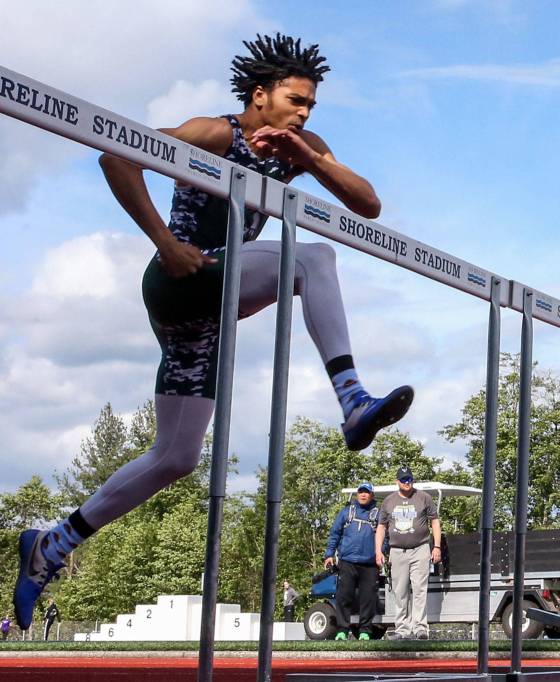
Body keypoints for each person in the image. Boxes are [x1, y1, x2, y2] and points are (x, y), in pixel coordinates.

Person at [12, 33, 415, 631]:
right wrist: (164, 242)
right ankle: (352, 397)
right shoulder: (214, 132)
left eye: (311, 107)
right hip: (184, 273)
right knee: (314, 261)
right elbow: (114, 156)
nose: (304, 114)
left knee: (175, 456)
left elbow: (369, 205)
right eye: (296, 101)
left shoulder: (302, 148)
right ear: (259, 96)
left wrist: (311, 159)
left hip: (209, 309)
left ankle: (53, 543)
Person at [375, 467, 441, 640]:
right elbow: (381, 527)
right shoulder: (389, 501)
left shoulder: (423, 497)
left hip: (420, 549)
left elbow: (435, 521)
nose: (407, 482)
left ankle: (420, 628)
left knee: (420, 589)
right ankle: (402, 630)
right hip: (397, 551)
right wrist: (378, 551)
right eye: (403, 480)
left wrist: (437, 546)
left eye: (409, 479)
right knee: (400, 591)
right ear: (397, 481)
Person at [325, 481, 380, 641]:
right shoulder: (346, 512)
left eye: (367, 492)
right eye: (361, 492)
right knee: (344, 596)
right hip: (347, 561)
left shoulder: (378, 514)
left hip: (370, 564)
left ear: (372, 495)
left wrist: (380, 553)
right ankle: (342, 630)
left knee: (368, 598)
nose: (363, 495)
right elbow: (335, 533)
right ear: (357, 494)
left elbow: (385, 536)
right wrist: (329, 554)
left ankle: (365, 631)